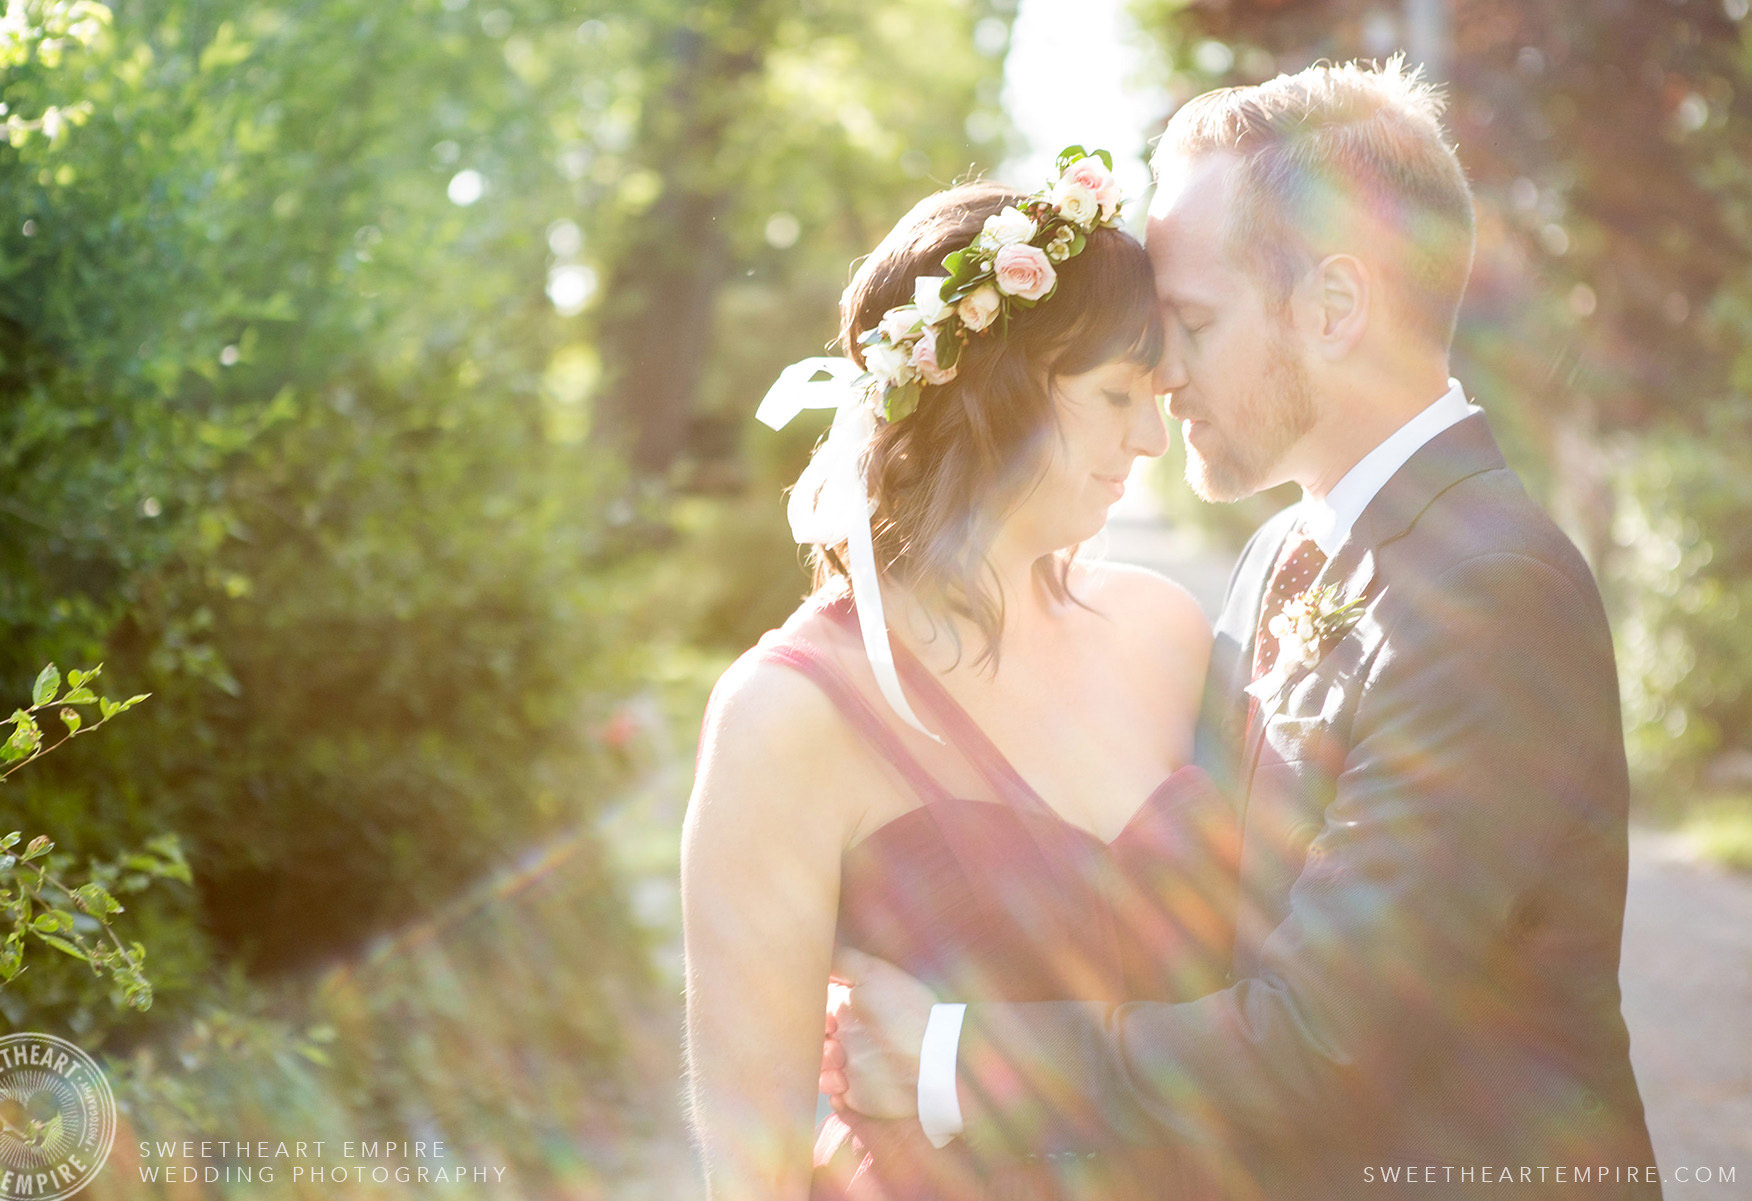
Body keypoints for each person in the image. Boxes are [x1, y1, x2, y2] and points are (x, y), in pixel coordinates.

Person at [821, 59, 1663, 1200]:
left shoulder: (1494, 592)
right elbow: (1186, 894)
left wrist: (949, 1059)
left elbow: (1319, 1042)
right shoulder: (1281, 557)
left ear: (1332, 307)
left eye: (1193, 322)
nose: (1161, 374)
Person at [681, 156, 1244, 1201]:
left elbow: (1273, 999)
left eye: (1157, 397)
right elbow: (749, 1161)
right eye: (1118, 394)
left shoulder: (1165, 632)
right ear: (993, 394)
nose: (1151, 437)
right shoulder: (791, 716)